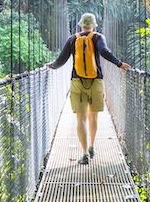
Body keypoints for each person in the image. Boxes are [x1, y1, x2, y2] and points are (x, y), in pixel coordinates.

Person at [49, 12, 131, 164]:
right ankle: (92, 146)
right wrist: (119, 64)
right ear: (93, 25)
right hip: (96, 81)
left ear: (81, 25)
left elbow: (61, 60)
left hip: (77, 82)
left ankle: (85, 153)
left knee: (80, 119)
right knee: (93, 116)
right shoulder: (98, 37)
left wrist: (51, 66)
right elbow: (104, 52)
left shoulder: (72, 39)